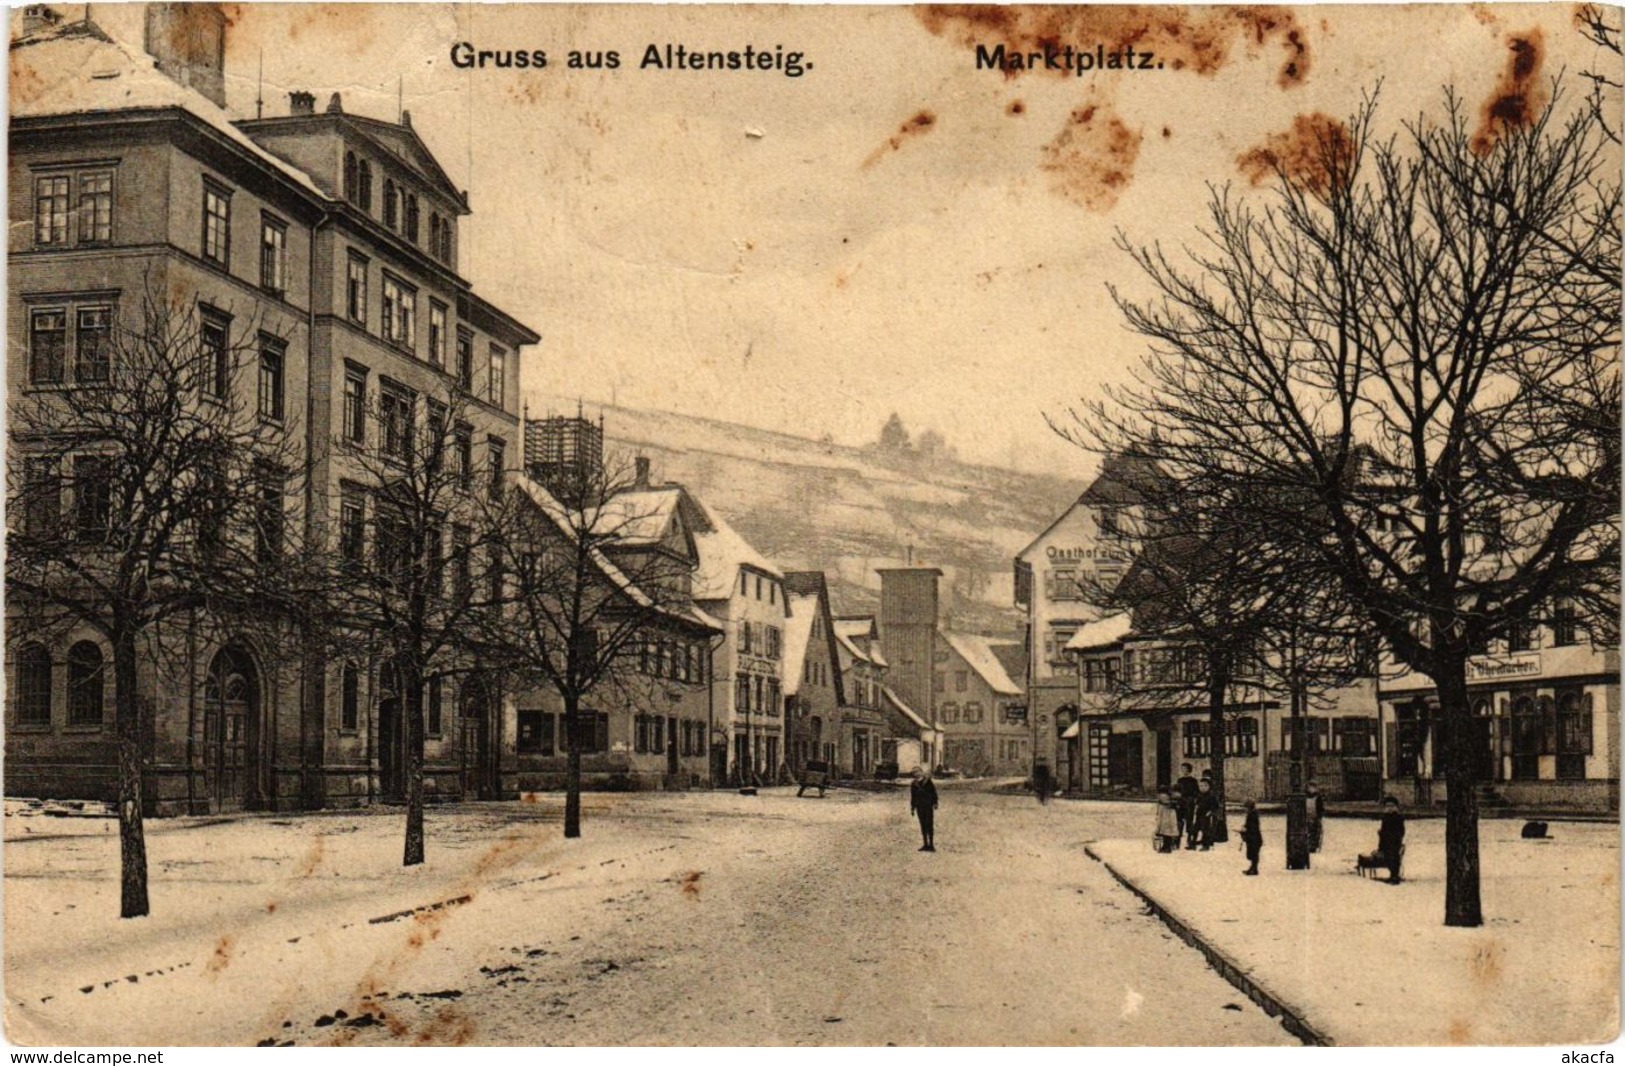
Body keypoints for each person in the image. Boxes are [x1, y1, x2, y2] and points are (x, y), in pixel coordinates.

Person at [1359, 795, 1406, 883]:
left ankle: (1394, 876)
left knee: (1392, 856)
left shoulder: (1398, 818)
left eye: (1392, 806)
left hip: (1394, 843)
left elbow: (1400, 832)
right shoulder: (1385, 818)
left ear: (1396, 807)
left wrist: (1389, 836)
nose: (1389, 808)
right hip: (1385, 843)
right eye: (1387, 806)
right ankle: (1393, 875)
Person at [910, 769, 938, 852]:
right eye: (915, 773)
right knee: (923, 825)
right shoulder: (914, 784)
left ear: (921, 772)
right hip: (919, 807)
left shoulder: (928, 781)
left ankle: (931, 845)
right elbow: (913, 797)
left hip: (928, 806)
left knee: (929, 824)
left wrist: (935, 802)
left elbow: (933, 792)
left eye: (918, 772)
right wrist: (912, 807)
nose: (917, 774)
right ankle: (925, 844)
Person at [1175, 763, 1199, 847]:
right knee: (1179, 821)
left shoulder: (1193, 781)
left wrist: (1193, 800)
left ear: (1189, 770)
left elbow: (1196, 792)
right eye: (1182, 768)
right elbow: (1176, 791)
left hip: (1189, 803)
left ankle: (1190, 841)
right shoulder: (1180, 780)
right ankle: (1177, 841)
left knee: (1189, 822)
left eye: (1184, 768)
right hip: (1181, 803)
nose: (1183, 770)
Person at [1192, 778, 1218, 850]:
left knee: (1205, 830)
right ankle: (1193, 844)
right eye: (1201, 786)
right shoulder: (1199, 795)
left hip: (1206, 815)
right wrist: (1196, 808)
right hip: (1199, 814)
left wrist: (1210, 812)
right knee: (1195, 829)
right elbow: (1197, 803)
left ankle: (1206, 845)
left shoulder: (1211, 796)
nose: (1203, 788)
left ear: (1209, 787)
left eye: (1205, 786)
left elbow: (1215, 806)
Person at [1240, 799, 1263, 875]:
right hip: (1254, 838)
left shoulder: (1252, 815)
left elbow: (1252, 827)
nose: (1244, 809)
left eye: (1245, 808)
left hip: (1253, 838)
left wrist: (1245, 830)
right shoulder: (1252, 814)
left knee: (1253, 854)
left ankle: (1254, 869)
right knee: (1253, 854)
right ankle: (1253, 868)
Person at [1305, 782, 1324, 854]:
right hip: (1307, 816)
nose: (1311, 789)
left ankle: (1313, 846)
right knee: (1308, 831)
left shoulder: (1318, 798)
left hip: (1315, 816)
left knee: (1315, 831)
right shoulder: (1305, 797)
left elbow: (1320, 808)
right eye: (1310, 787)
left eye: (1312, 787)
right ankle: (1308, 845)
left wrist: (1320, 817)